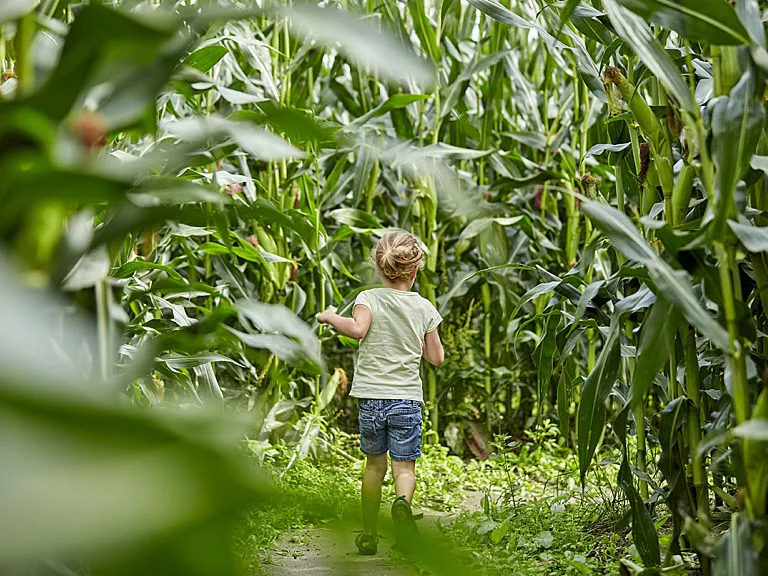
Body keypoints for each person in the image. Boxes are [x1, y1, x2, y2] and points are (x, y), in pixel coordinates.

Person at [316, 231, 445, 555]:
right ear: (415, 271)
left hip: (372, 398)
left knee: (375, 466)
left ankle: (370, 534)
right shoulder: (424, 307)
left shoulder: (368, 298)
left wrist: (331, 317)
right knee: (405, 468)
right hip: (406, 400)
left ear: (378, 267)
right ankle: (402, 506)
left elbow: (358, 329)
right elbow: (436, 358)